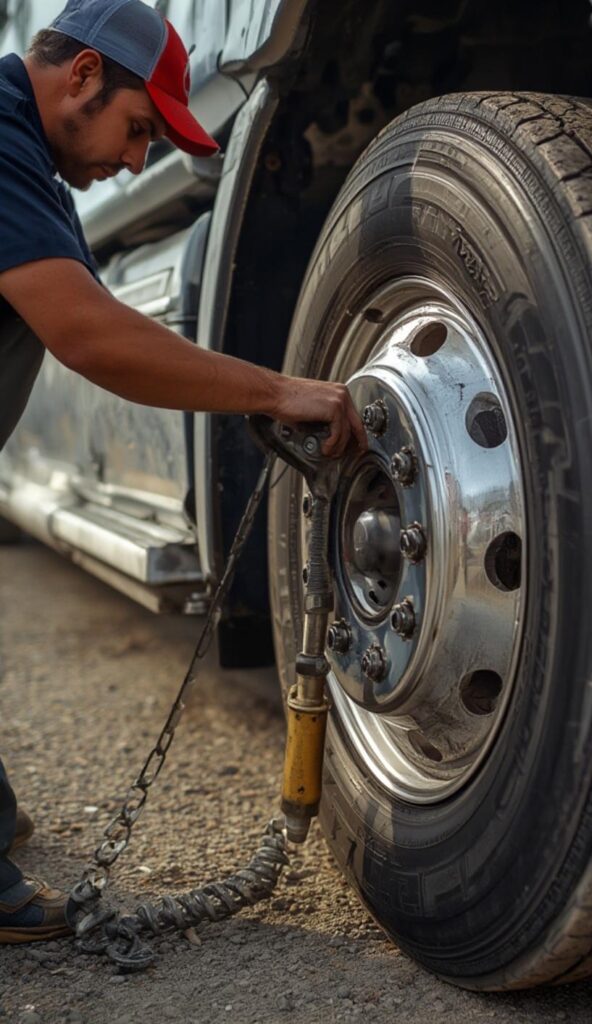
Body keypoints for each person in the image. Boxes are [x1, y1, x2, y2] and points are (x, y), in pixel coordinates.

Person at [0, 0, 365, 943]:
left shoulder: (26, 165)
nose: (134, 163)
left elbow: (86, 307)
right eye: (138, 130)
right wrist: (277, 391)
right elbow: (90, 335)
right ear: (82, 76)